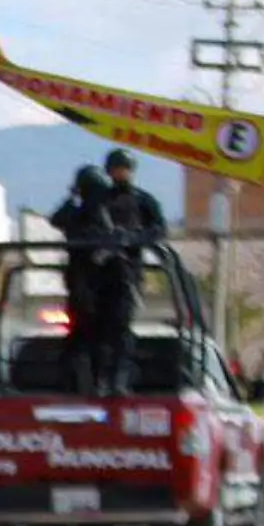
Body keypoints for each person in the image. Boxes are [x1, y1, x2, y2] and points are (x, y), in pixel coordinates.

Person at [89, 149, 168, 395]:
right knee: (98, 329)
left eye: (123, 168)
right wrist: (102, 240)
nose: (119, 173)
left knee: (122, 329)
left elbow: (158, 230)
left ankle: (119, 381)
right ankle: (99, 380)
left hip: (127, 272)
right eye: (115, 169)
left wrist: (132, 239)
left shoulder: (143, 200)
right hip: (99, 273)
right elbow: (80, 224)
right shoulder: (99, 200)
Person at [47, 164, 114, 394]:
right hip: (80, 280)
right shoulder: (77, 211)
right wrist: (72, 197)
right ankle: (76, 383)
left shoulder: (100, 212)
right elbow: (56, 219)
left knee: (96, 338)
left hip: (98, 282)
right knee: (80, 338)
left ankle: (95, 383)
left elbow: (109, 241)